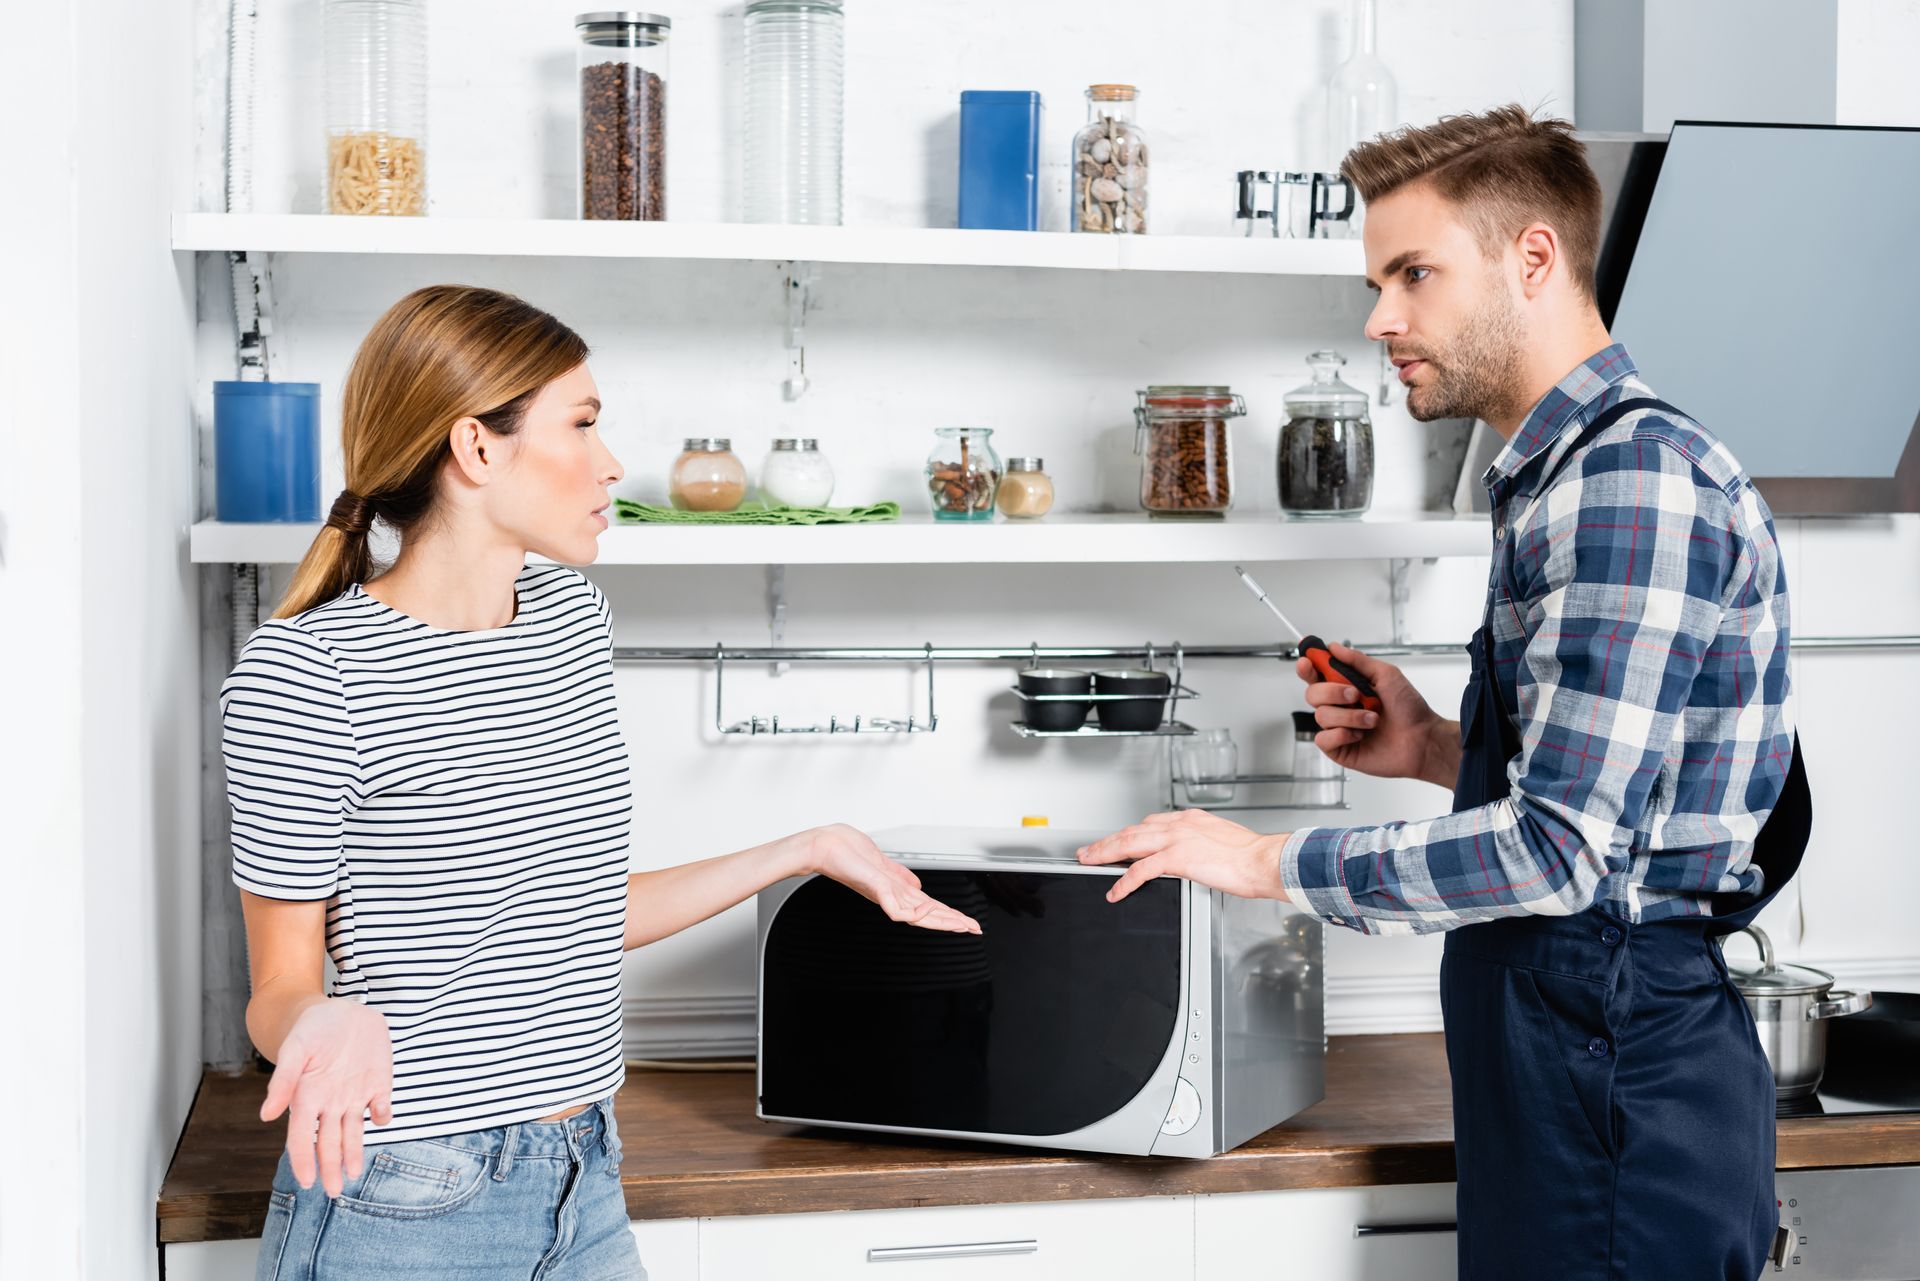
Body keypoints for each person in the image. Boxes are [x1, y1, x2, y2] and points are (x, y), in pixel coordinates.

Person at [1079, 105, 1805, 1281]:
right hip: (1576, 1060)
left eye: (1414, 274)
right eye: (1378, 281)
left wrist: (1267, 864)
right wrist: (1431, 747)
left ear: (1532, 259)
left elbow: (1561, 854)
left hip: (1616, 1068)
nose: (1380, 319)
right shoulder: (1562, 477)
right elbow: (1624, 797)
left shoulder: (1625, 484)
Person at [224, 284, 981, 1281]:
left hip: (585, 1181)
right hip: (405, 1198)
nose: (613, 464)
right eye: (581, 425)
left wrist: (803, 848)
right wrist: (323, 1019)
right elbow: (278, 988)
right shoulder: (308, 674)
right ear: (477, 450)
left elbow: (570, 913)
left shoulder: (570, 621)